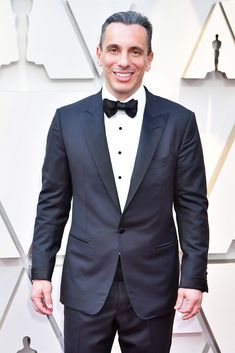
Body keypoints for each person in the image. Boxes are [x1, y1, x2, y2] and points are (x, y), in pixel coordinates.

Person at [31, 10, 209, 353]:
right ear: (99, 54)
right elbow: (52, 202)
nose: (123, 61)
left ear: (149, 59)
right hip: (85, 284)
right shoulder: (66, 121)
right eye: (113, 49)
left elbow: (192, 206)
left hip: (154, 285)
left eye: (135, 51)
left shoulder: (179, 122)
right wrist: (41, 271)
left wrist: (193, 277)